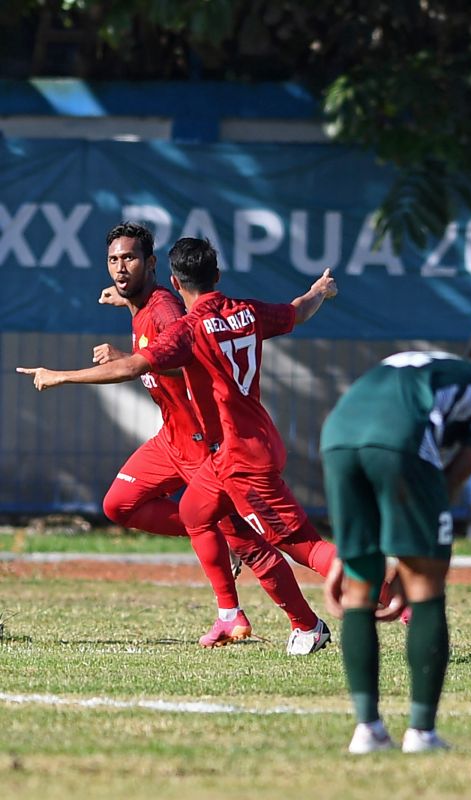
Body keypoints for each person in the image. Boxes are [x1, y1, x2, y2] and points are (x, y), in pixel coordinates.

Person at [18, 237, 342, 655]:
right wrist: (126, 309)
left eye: (130, 258)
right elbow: (289, 313)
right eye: (113, 259)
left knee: (258, 542)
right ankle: (235, 592)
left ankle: (292, 619)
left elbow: (168, 355)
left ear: (154, 266)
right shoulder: (152, 304)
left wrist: (65, 375)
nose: (120, 267)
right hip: (171, 437)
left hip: (201, 443)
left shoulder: (171, 311)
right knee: (121, 504)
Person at [321, 325, 471, 754]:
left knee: (360, 589)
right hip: (398, 441)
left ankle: (367, 731)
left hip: (336, 436)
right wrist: (411, 556)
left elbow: (373, 433)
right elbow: (455, 474)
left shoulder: (431, 364)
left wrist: (351, 550)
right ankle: (421, 732)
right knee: (426, 585)